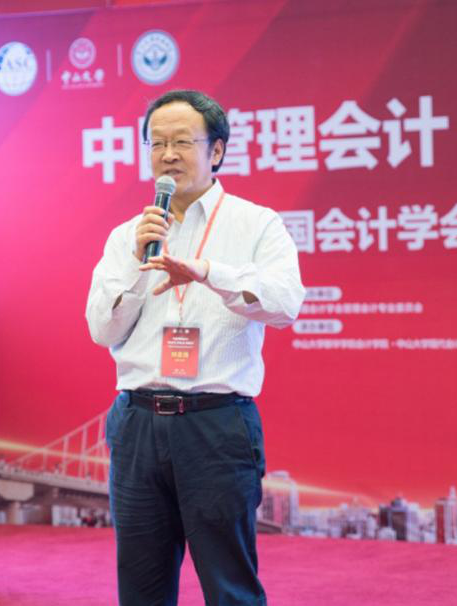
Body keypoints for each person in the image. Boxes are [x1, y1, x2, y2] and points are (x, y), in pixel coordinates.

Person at [86, 89, 305, 606]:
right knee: (141, 588)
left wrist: (208, 272)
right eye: (157, 143)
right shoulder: (128, 236)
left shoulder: (256, 224)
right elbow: (102, 329)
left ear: (217, 150)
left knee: (230, 588)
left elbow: (284, 303)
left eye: (182, 142)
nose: (168, 155)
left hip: (216, 425)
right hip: (137, 424)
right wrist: (137, 263)